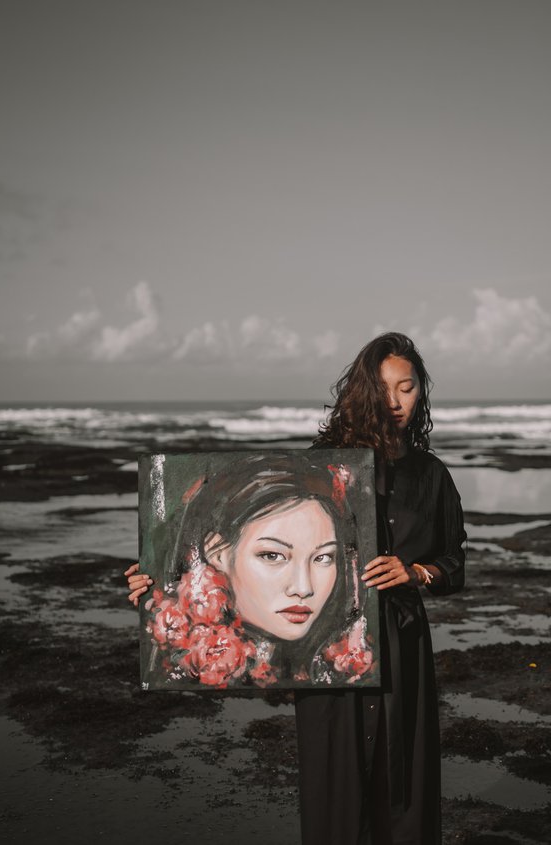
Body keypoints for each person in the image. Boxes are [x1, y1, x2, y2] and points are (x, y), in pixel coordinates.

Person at [294, 332, 466, 845]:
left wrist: (418, 573)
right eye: (382, 388)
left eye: (407, 387)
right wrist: (164, 583)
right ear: (361, 392)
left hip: (401, 643)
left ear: (421, 393)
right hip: (329, 645)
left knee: (403, 790)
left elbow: (454, 562)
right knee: (335, 799)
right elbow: (262, 552)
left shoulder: (432, 475)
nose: (394, 401)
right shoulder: (319, 468)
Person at [128, 452, 376, 689]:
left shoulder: (339, 662)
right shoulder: (178, 660)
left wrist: (415, 574)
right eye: (272, 555)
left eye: (323, 557)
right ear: (217, 553)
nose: (303, 588)